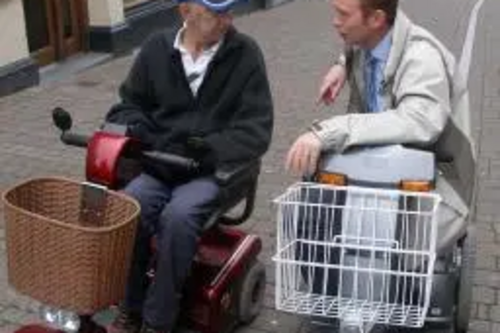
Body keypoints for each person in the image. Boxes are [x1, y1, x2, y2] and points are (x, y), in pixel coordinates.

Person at [105, 0, 274, 332]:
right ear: (186, 11)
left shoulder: (245, 54)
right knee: (128, 209)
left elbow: (257, 130)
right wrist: (147, 135)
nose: (228, 19)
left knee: (179, 218)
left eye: (229, 10)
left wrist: (209, 148)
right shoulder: (156, 48)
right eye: (216, 13)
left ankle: (158, 320)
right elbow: (126, 108)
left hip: (211, 171)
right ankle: (130, 307)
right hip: (161, 166)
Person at [286, 0, 476, 254]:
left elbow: (420, 121)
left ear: (376, 19)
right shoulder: (370, 41)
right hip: (380, 167)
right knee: (313, 220)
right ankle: (329, 287)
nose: (334, 21)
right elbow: (354, 44)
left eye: (342, 14)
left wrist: (328, 133)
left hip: (434, 184)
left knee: (391, 259)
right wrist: (341, 63)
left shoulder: (422, 57)